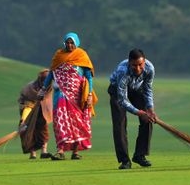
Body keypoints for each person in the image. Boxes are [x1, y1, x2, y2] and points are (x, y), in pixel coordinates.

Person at [38, 32, 97, 160]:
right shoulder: (58, 56)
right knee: (60, 122)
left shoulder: (82, 55)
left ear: (76, 43)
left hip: (77, 96)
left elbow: (89, 77)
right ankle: (60, 151)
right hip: (60, 95)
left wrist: (90, 95)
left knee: (77, 123)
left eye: (72, 43)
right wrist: (43, 90)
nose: (70, 45)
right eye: (68, 42)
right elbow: (51, 75)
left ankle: (75, 152)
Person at [108, 48, 156, 170]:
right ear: (129, 63)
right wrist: (139, 112)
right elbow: (122, 99)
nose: (138, 68)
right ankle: (125, 160)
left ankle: (140, 155)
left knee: (148, 119)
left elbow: (148, 89)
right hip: (118, 92)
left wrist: (150, 108)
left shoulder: (150, 68)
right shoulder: (122, 71)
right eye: (134, 65)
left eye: (140, 65)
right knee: (120, 124)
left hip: (137, 89)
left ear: (144, 62)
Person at [18, 69, 53, 159]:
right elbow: (27, 105)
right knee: (29, 132)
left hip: (42, 112)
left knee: (43, 131)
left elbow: (48, 101)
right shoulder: (30, 88)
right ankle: (32, 153)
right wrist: (24, 119)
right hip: (29, 112)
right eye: (44, 80)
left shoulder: (49, 88)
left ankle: (44, 151)